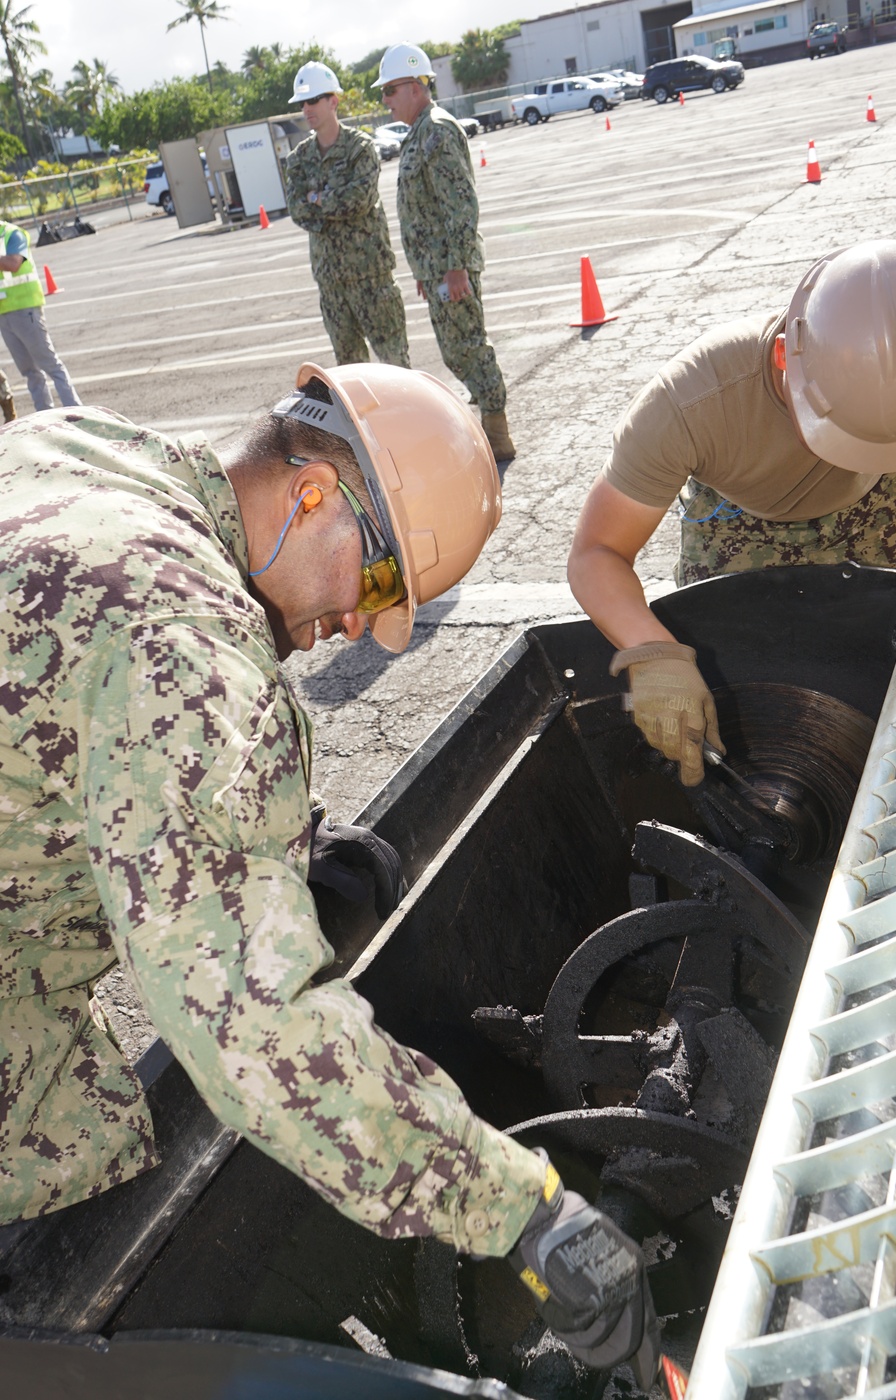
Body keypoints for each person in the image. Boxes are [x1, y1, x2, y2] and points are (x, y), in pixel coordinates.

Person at [0, 363, 660, 1387]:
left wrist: (270, 846)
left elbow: (70, 721)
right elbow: (257, 1036)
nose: (361, 622)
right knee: (55, 1161)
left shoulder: (84, 450)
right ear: (312, 492)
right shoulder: (183, 648)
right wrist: (525, 1209)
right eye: (380, 581)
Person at [567, 239, 896, 787]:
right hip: (742, 517)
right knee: (751, 706)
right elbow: (596, 551)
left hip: (881, 502)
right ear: (782, 359)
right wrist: (649, 651)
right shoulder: (692, 404)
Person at [373, 43, 516, 463]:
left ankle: (497, 430)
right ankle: (490, 421)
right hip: (437, 269)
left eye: (391, 89)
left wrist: (455, 267)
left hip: (452, 269)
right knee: (457, 351)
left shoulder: (436, 129)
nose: (385, 99)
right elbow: (426, 210)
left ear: (416, 86)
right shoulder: (420, 132)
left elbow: (460, 204)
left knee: (469, 346)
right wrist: (425, 268)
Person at [285, 60, 409, 369]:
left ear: (333, 101)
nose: (307, 108)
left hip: (371, 276)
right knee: (350, 371)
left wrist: (316, 198)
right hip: (331, 283)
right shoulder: (299, 159)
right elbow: (298, 212)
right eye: (303, 102)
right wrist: (329, 202)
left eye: (314, 100)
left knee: (395, 365)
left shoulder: (360, 148)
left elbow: (360, 200)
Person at [0, 216, 80, 413]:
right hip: (4, 314)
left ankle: (77, 413)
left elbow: (14, 263)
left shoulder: (12, 233)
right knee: (30, 372)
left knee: (51, 366)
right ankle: (45, 416)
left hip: (25, 310)